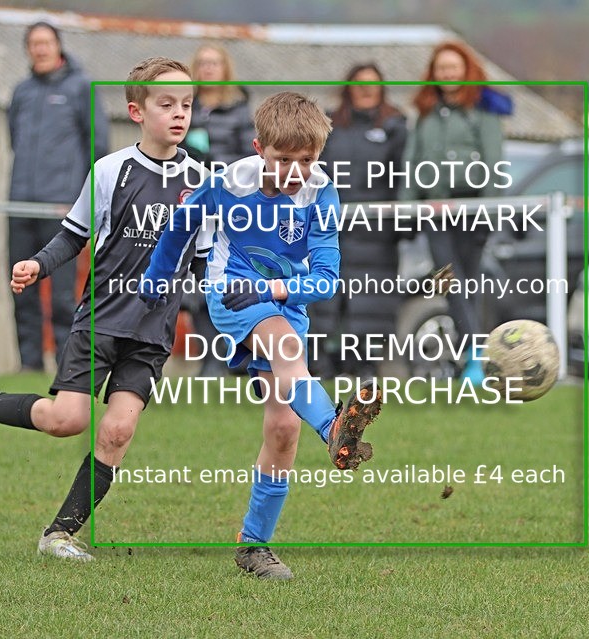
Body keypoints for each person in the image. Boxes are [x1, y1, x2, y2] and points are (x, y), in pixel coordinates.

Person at [0, 57, 208, 562]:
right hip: (101, 321)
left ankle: (58, 534)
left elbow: (206, 263)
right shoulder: (111, 170)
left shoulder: (205, 184)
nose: (179, 114)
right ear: (136, 111)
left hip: (153, 331)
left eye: (186, 104)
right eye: (166, 105)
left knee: (117, 431)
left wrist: (239, 310)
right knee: (65, 421)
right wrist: (36, 263)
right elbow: (73, 236)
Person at [142, 92, 384, 580]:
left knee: (282, 428)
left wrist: (273, 287)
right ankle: (334, 429)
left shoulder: (322, 194)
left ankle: (254, 547)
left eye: (308, 160)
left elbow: (326, 279)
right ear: (258, 148)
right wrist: (155, 278)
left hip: (281, 298)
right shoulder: (228, 185)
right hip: (232, 293)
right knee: (287, 348)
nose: (296, 170)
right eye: (284, 159)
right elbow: (179, 226)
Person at [400, 41, 506, 383]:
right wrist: (406, 209)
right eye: (442, 67)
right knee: (448, 281)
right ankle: (474, 353)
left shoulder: (483, 111)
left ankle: (474, 358)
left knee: (468, 284)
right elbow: (412, 163)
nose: (448, 73)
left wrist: (489, 210)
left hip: (472, 208)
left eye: (453, 67)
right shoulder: (426, 114)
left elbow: (493, 160)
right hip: (435, 211)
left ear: (466, 70)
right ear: (434, 73)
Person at [7, 21, 109, 371]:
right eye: (34, 43)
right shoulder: (21, 91)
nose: (40, 49)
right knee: (22, 291)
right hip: (20, 204)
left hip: (61, 207)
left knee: (64, 296)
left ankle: (69, 367)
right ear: (28, 48)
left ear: (58, 46)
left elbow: (98, 146)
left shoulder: (82, 88)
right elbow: (12, 140)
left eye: (46, 42)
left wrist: (88, 200)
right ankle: (29, 365)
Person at [314, 62, 408, 377]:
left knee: (371, 300)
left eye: (372, 84)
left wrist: (403, 222)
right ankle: (323, 364)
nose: (366, 90)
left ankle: (365, 365)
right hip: (330, 231)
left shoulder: (396, 127)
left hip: (376, 235)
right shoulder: (329, 126)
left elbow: (404, 178)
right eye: (360, 84)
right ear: (348, 88)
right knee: (325, 300)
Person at [182, 43, 257, 376]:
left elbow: (250, 160)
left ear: (225, 69)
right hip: (192, 203)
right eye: (202, 63)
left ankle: (234, 353)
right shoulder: (185, 107)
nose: (207, 69)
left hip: (229, 204)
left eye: (214, 63)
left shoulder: (240, 110)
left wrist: (217, 170)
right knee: (195, 284)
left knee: (225, 278)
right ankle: (208, 357)